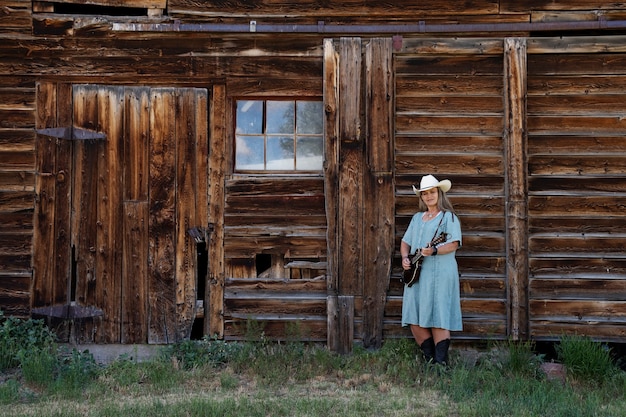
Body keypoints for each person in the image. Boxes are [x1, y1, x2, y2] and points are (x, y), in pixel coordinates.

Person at [400, 174, 462, 366]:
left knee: (439, 315)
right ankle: (429, 360)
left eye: (432, 192)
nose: (428, 197)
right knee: (413, 316)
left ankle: (440, 364)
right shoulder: (417, 218)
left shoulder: (448, 217)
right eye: (425, 194)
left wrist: (434, 250)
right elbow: (405, 242)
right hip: (417, 274)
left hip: (440, 274)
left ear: (439, 194)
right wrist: (404, 257)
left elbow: (454, 244)